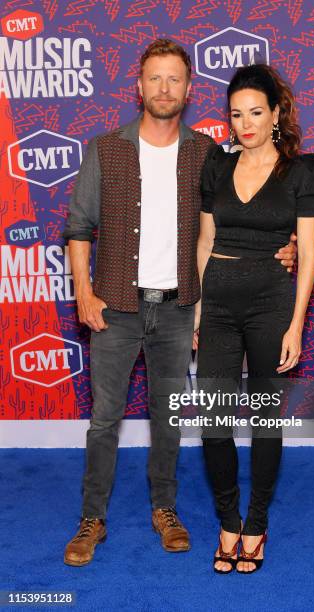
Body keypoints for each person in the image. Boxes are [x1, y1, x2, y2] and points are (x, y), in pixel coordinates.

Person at [62, 39, 297, 567]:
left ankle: (165, 509)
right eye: (154, 78)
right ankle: (92, 519)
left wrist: (288, 245)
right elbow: (78, 228)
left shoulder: (207, 156)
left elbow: (239, 220)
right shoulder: (105, 149)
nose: (164, 88)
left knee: (168, 419)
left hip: (177, 311)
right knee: (104, 420)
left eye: (174, 79)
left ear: (189, 90)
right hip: (115, 308)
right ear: (138, 85)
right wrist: (83, 291)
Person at [196, 63, 314, 574]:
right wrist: (198, 313)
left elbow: (310, 254)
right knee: (213, 420)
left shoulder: (303, 170)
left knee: (265, 420)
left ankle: (255, 524)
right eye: (235, 114)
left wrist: (297, 323)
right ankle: (227, 518)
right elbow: (205, 244)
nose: (245, 123)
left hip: (273, 304)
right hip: (219, 305)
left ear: (276, 113)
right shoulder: (216, 167)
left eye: (256, 112)